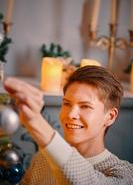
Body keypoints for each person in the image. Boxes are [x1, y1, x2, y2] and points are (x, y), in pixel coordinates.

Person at [4, 65, 133, 185]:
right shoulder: (42, 159)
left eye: (85, 106)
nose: (71, 114)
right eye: (67, 104)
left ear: (110, 117)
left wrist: (36, 121)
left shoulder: (124, 173)